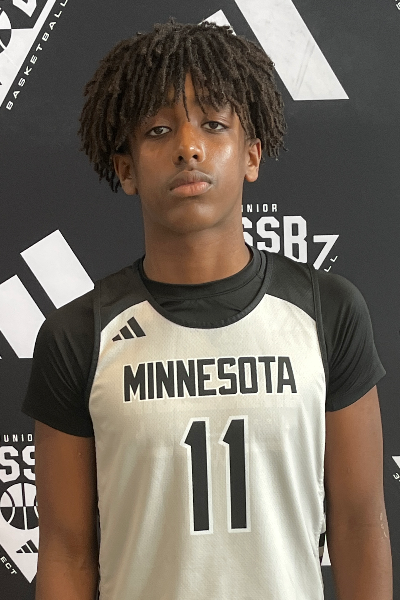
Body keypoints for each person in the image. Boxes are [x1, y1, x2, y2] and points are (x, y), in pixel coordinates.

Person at [23, 19, 392, 600]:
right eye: (159, 130)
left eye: (214, 125)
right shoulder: (78, 334)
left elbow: (358, 525)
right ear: (126, 169)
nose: (188, 147)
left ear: (251, 155)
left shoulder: (328, 311)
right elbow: (67, 553)